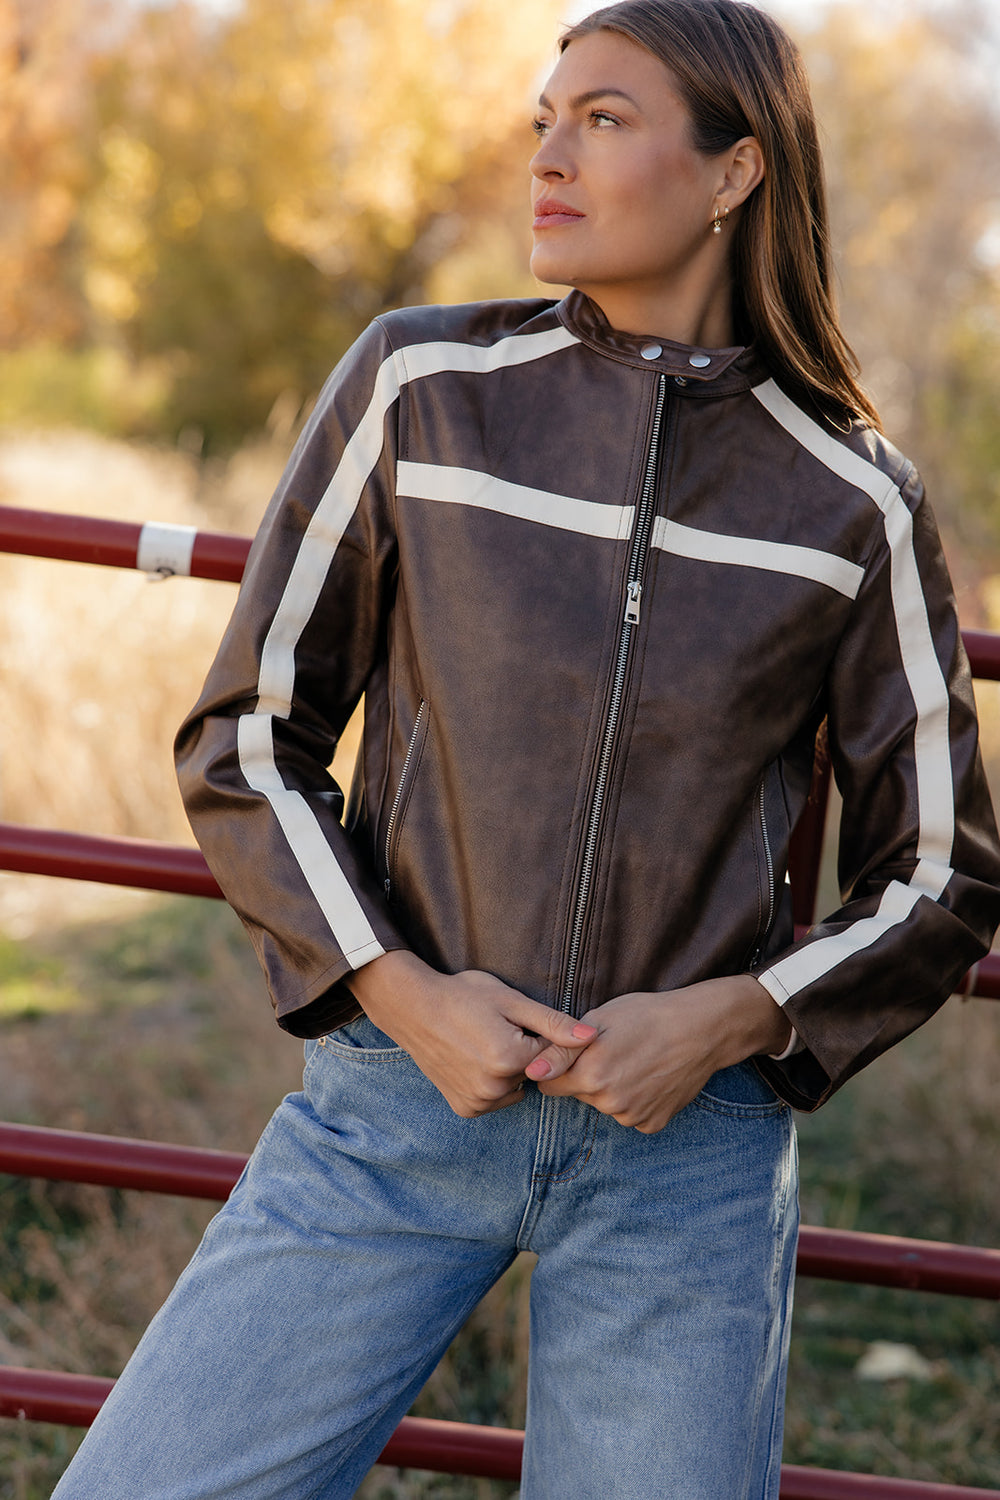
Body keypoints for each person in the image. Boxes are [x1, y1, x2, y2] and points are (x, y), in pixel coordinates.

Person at [52, 2, 1000, 1496]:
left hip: (683, 1159)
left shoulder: (852, 499)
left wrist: (733, 1020)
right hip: (397, 1104)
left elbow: (943, 872)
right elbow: (245, 737)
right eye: (544, 121)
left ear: (736, 169)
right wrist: (400, 991)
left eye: (604, 121)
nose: (548, 157)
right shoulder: (418, 389)